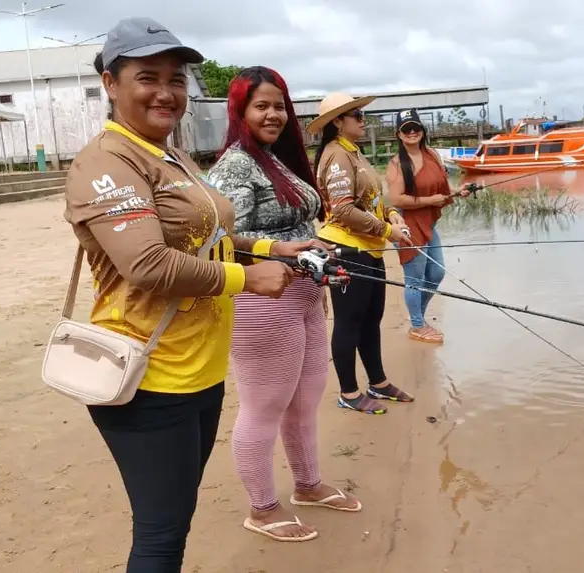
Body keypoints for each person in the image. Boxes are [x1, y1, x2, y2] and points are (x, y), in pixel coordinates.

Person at [62, 18, 316, 572]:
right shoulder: (107, 160)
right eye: (147, 77)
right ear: (110, 83)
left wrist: (272, 249)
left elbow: (212, 238)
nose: (166, 91)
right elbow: (147, 263)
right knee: (161, 535)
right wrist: (247, 279)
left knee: (175, 523)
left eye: (176, 79)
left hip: (199, 369)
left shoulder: (171, 154)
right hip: (146, 377)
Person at [205, 66, 361, 543]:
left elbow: (294, 223)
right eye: (261, 105)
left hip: (306, 293)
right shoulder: (235, 164)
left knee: (306, 398)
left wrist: (317, 247)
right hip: (262, 299)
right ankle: (263, 508)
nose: (273, 114)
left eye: (279, 105)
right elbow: (220, 235)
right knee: (264, 406)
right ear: (240, 111)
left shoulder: (278, 159)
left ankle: (308, 485)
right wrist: (281, 251)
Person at [307, 92, 414, 415]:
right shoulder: (336, 155)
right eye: (356, 115)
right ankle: (349, 392)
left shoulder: (354, 152)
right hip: (348, 251)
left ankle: (378, 382)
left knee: (371, 319)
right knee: (349, 323)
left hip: (370, 250)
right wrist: (385, 230)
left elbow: (370, 201)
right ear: (337, 122)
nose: (363, 119)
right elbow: (342, 210)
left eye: (362, 114)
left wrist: (390, 216)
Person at [386, 109, 471, 343]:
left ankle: (419, 318)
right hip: (407, 225)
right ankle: (417, 325)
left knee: (436, 273)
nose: (412, 132)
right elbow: (396, 199)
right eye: (406, 129)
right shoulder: (396, 164)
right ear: (399, 134)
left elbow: (441, 188)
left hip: (428, 222)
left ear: (423, 131)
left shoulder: (432, 154)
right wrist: (429, 201)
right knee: (414, 279)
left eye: (416, 127)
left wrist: (456, 192)